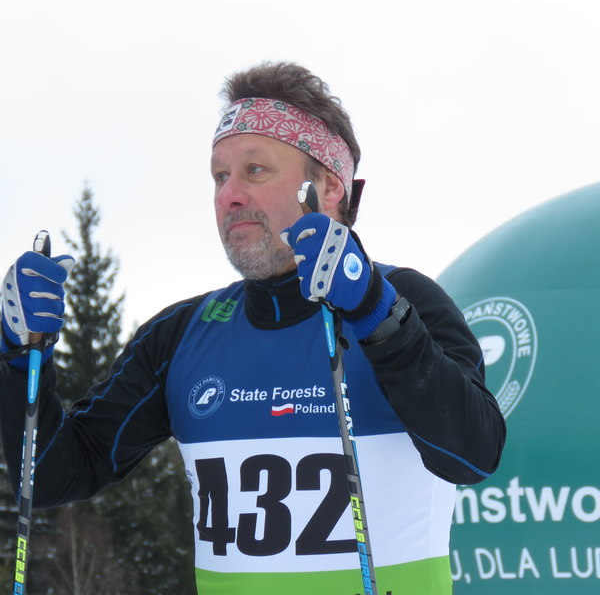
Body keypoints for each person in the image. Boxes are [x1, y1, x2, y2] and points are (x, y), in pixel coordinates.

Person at [0, 61, 506, 595]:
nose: (229, 195)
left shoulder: (407, 300)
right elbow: (50, 476)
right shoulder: (180, 334)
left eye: (255, 170)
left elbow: (473, 454)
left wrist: (375, 313)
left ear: (329, 186)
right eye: (220, 177)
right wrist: (17, 357)